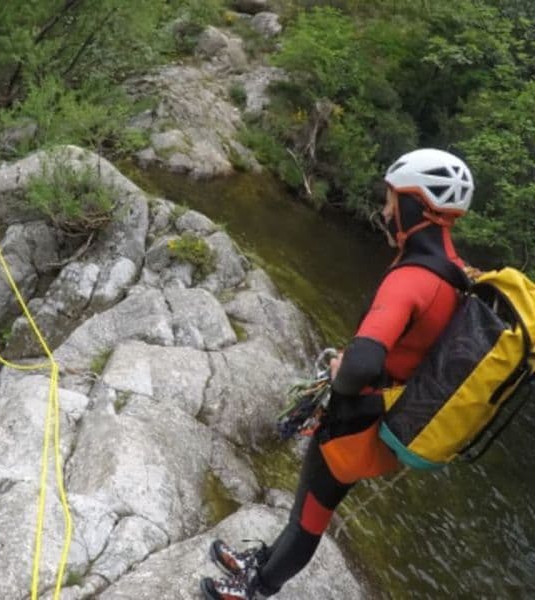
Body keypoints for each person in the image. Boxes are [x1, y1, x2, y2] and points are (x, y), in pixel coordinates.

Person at [200, 148, 475, 599]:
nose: (384, 212)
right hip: (386, 413)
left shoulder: (410, 280)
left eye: (391, 201)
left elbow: (363, 364)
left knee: (308, 518)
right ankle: (263, 562)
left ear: (413, 204)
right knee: (309, 510)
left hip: (354, 419)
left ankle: (256, 586)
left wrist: (340, 370)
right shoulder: (457, 274)